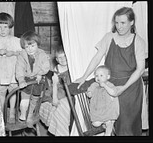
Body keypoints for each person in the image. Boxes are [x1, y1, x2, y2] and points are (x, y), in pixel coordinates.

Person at [75, 7, 146, 136]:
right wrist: (84, 76)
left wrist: (123, 88)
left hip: (130, 87)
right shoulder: (109, 37)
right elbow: (97, 58)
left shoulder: (138, 41)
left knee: (127, 128)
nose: (119, 26)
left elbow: (140, 69)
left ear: (132, 22)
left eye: (123, 23)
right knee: (110, 124)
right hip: (110, 86)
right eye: (117, 23)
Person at [15, 31, 50, 127]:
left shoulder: (42, 54)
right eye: (27, 47)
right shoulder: (22, 56)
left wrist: (40, 73)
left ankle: (30, 116)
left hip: (38, 79)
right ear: (24, 47)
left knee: (34, 99)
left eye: (32, 46)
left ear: (37, 45)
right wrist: (21, 79)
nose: (30, 49)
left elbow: (46, 66)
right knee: (24, 100)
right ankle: (23, 114)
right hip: (26, 79)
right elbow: (19, 69)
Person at [39, 46, 72, 136]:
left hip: (66, 90)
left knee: (59, 96)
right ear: (56, 59)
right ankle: (47, 101)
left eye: (64, 56)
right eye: (59, 58)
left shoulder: (71, 68)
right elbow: (54, 84)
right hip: (57, 87)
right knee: (45, 95)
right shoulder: (57, 68)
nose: (62, 59)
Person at [86, 65, 119, 136]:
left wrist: (105, 86)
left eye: (101, 75)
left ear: (108, 77)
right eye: (96, 75)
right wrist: (89, 93)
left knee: (109, 121)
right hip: (97, 109)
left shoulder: (109, 84)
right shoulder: (94, 85)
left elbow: (113, 92)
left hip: (107, 109)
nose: (98, 77)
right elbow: (89, 91)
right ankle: (105, 124)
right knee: (95, 124)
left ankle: (108, 132)